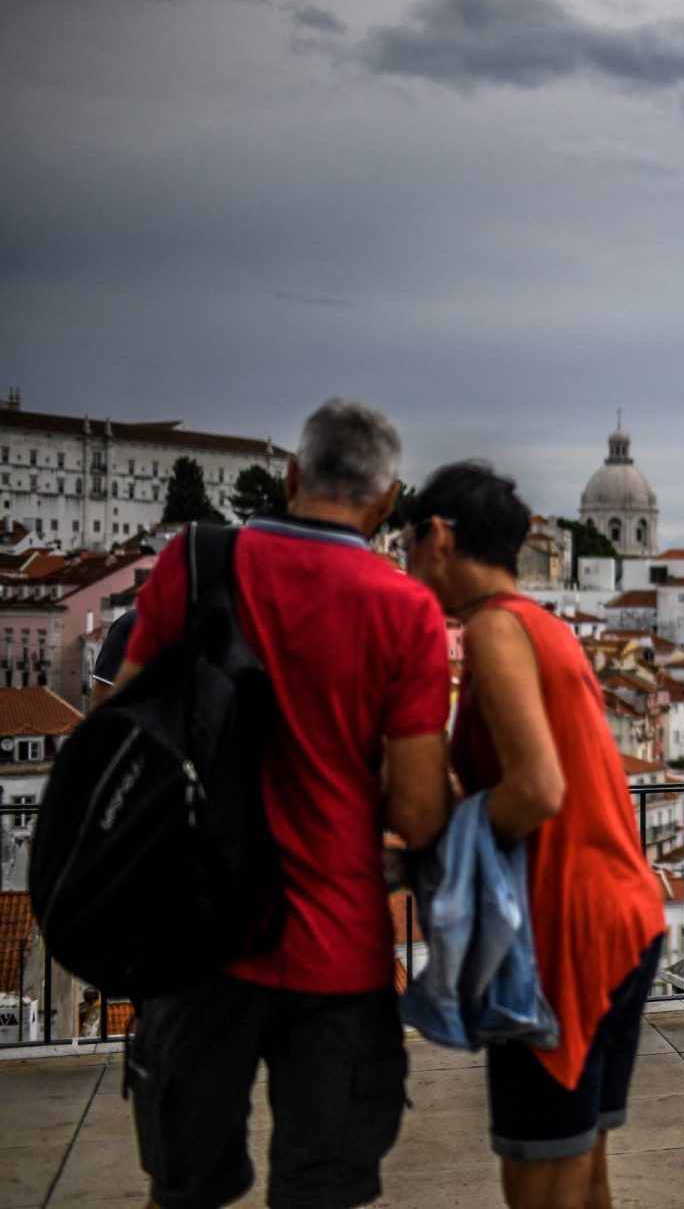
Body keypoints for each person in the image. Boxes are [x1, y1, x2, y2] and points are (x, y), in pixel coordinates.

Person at [115, 400, 453, 1209]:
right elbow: (417, 807)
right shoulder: (406, 610)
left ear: (293, 475)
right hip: (336, 951)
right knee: (322, 1190)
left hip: (197, 940)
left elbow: (119, 734)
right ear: (386, 501)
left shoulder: (194, 564)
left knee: (185, 1188)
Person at [404, 461, 668, 1208]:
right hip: (624, 917)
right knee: (586, 1176)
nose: (406, 560)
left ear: (441, 537)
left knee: (541, 1182)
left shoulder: (494, 629)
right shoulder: (547, 626)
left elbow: (538, 789)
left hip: (563, 935)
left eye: (408, 541)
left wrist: (434, 841)